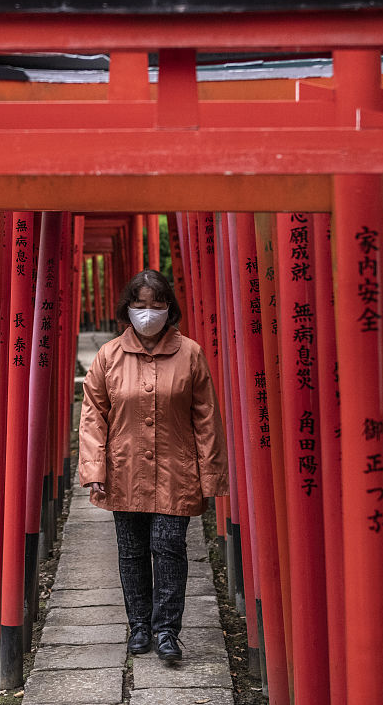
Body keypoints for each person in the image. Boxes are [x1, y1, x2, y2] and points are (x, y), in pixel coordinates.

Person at [77, 268, 227, 662]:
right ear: (127, 308)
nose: (148, 313)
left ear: (169, 308)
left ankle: (166, 630)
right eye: (140, 305)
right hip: (123, 469)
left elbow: (206, 418)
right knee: (131, 551)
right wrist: (94, 471)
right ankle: (139, 626)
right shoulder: (108, 356)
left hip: (178, 471)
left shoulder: (190, 354)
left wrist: (209, 476)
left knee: (169, 547)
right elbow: (93, 415)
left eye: (156, 304)